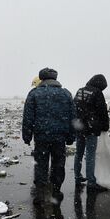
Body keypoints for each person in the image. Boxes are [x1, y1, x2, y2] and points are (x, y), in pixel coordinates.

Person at [22, 68, 76, 205]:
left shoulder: (34, 93)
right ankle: (56, 191)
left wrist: (27, 135)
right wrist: (71, 136)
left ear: (41, 78)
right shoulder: (66, 94)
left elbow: (28, 117)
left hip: (41, 136)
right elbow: (73, 116)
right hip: (60, 136)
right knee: (58, 164)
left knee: (41, 164)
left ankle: (40, 194)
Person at [73, 74, 109, 193]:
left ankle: (78, 177)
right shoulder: (97, 93)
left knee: (79, 153)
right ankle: (91, 182)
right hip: (91, 128)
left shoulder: (80, 91)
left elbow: (74, 107)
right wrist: (105, 126)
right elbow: (102, 111)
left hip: (80, 127)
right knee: (90, 155)